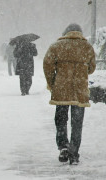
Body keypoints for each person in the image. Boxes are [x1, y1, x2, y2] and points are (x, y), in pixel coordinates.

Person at [43, 23, 96, 165]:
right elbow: (91, 68)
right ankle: (74, 153)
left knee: (61, 120)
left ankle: (63, 146)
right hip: (80, 91)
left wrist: (52, 82)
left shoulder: (56, 46)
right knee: (77, 123)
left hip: (61, 90)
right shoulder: (87, 47)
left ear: (66, 32)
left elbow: (47, 65)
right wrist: (81, 70)